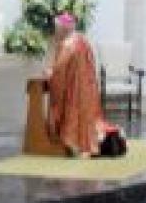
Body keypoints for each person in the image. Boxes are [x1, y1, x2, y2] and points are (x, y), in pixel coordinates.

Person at [46, 12, 109, 157]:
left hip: (73, 90)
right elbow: (91, 63)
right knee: (87, 116)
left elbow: (60, 70)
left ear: (63, 29)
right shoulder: (83, 41)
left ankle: (74, 144)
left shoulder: (67, 45)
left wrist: (50, 73)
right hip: (87, 87)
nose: (56, 32)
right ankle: (89, 145)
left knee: (72, 116)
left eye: (57, 28)